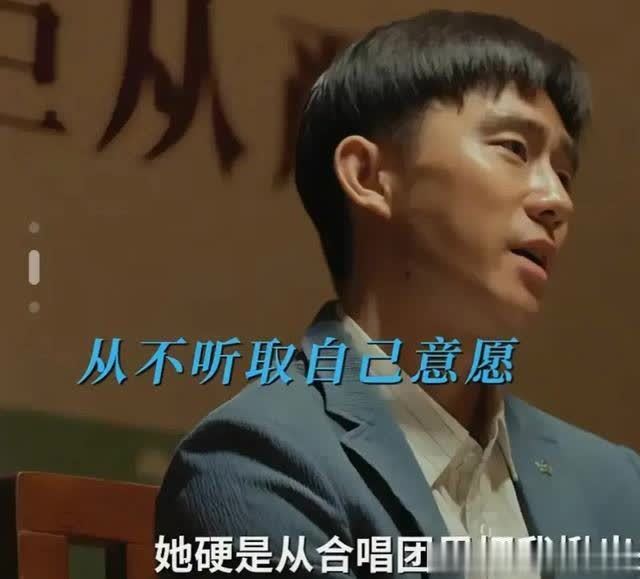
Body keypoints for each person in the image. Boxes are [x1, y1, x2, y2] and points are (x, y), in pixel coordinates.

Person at [155, 10, 640, 578]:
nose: (556, 200)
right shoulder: (253, 464)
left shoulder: (617, 482)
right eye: (514, 148)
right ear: (369, 176)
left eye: (564, 173)